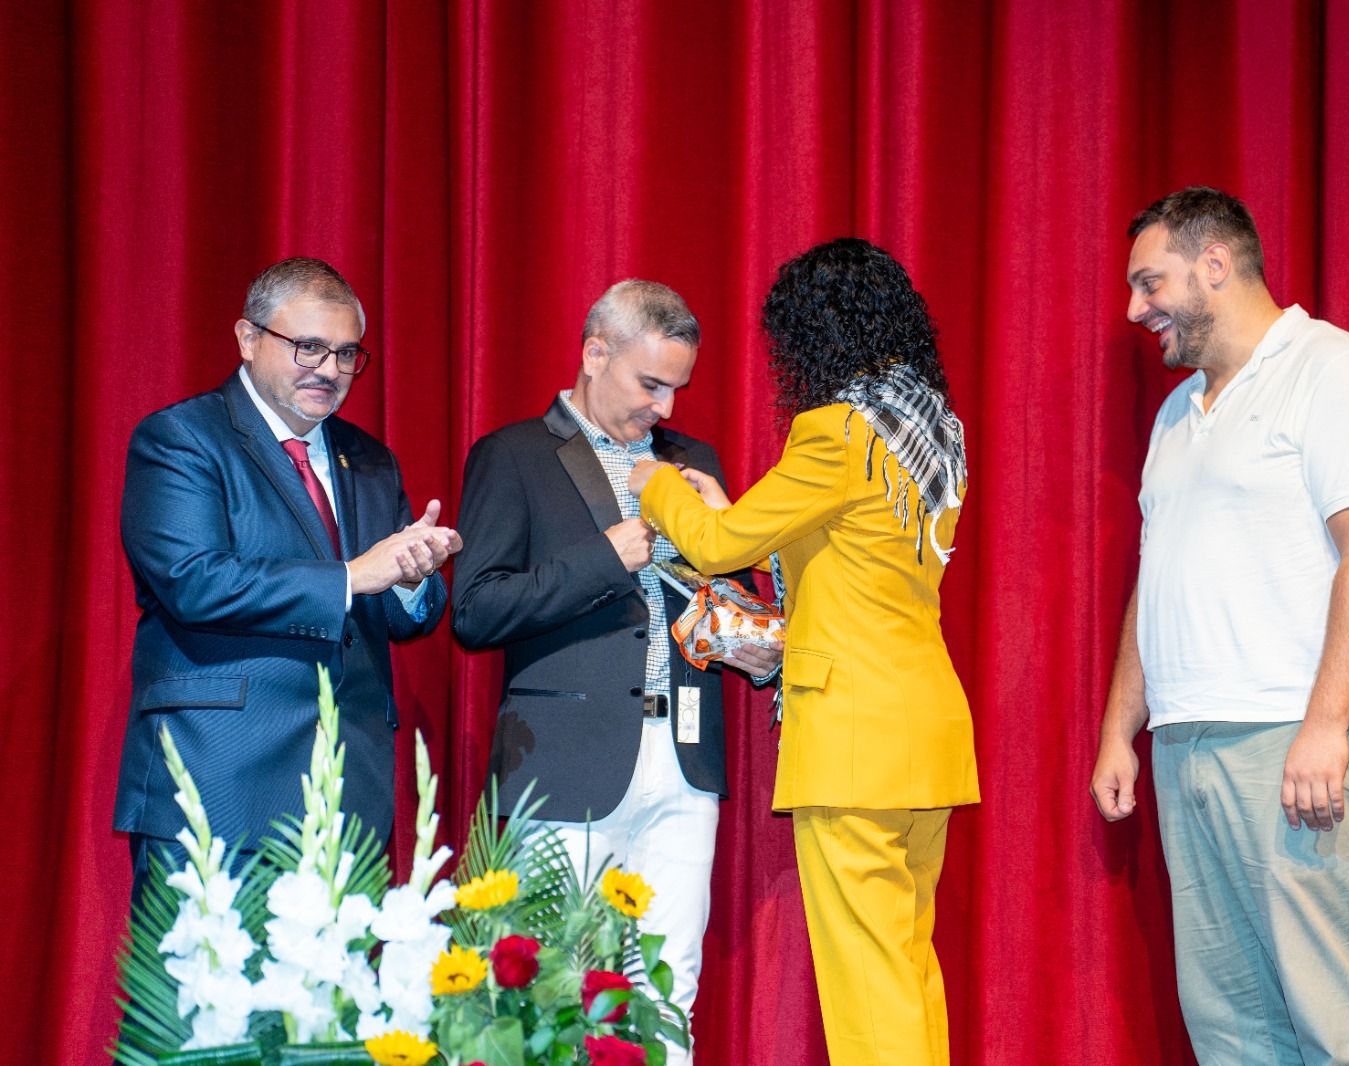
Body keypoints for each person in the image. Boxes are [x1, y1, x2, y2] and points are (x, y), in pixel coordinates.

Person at [629, 239, 977, 1066]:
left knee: (867, 985)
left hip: (853, 738)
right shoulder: (933, 430)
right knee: (907, 967)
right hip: (925, 734)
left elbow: (713, 546)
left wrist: (655, 482)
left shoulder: (836, 431)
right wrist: (741, 515)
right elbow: (836, 547)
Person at [1090, 187, 1349, 1065]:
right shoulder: (1177, 414)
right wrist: (1125, 727)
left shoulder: (1336, 371)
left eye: (1149, 283)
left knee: (1342, 1027)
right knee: (1234, 1034)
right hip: (1189, 745)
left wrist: (1324, 726)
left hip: (1295, 744)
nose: (1135, 309)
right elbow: (1162, 577)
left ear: (1216, 265)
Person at [450, 279, 779, 1064]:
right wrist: (605, 558)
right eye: (650, 384)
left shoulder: (690, 462)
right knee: (550, 990)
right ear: (595, 354)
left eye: (677, 389)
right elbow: (475, 612)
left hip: (686, 767)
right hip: (564, 765)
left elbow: (729, 603)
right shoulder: (514, 455)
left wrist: (751, 622)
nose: (665, 409)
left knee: (669, 990)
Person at [115, 257, 459, 899]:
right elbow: (193, 581)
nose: (329, 370)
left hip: (348, 792)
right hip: (218, 781)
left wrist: (414, 577)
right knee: (199, 1000)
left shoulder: (370, 459)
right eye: (309, 347)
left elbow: (405, 616)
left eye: (347, 353)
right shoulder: (181, 439)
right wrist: (353, 577)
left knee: (337, 1001)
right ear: (248, 340)